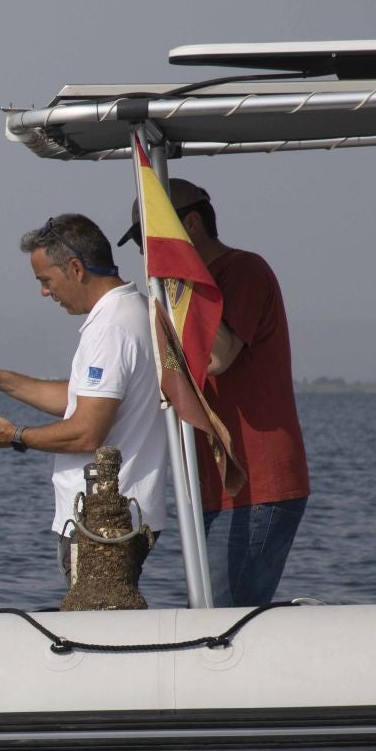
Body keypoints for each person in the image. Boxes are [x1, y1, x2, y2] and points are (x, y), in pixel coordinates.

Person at [0, 214, 169, 584]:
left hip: (103, 521)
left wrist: (15, 436)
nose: (45, 292)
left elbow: (87, 432)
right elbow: (87, 400)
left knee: (96, 625)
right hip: (125, 514)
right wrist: (2, 380)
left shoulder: (109, 329)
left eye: (46, 281)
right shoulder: (135, 310)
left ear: (75, 269)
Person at [117, 178, 308, 606]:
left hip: (257, 484)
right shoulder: (182, 292)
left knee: (222, 619)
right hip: (217, 484)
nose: (147, 254)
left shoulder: (244, 271)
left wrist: (181, 279)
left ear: (192, 223)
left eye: (155, 240)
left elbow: (219, 355)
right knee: (209, 613)